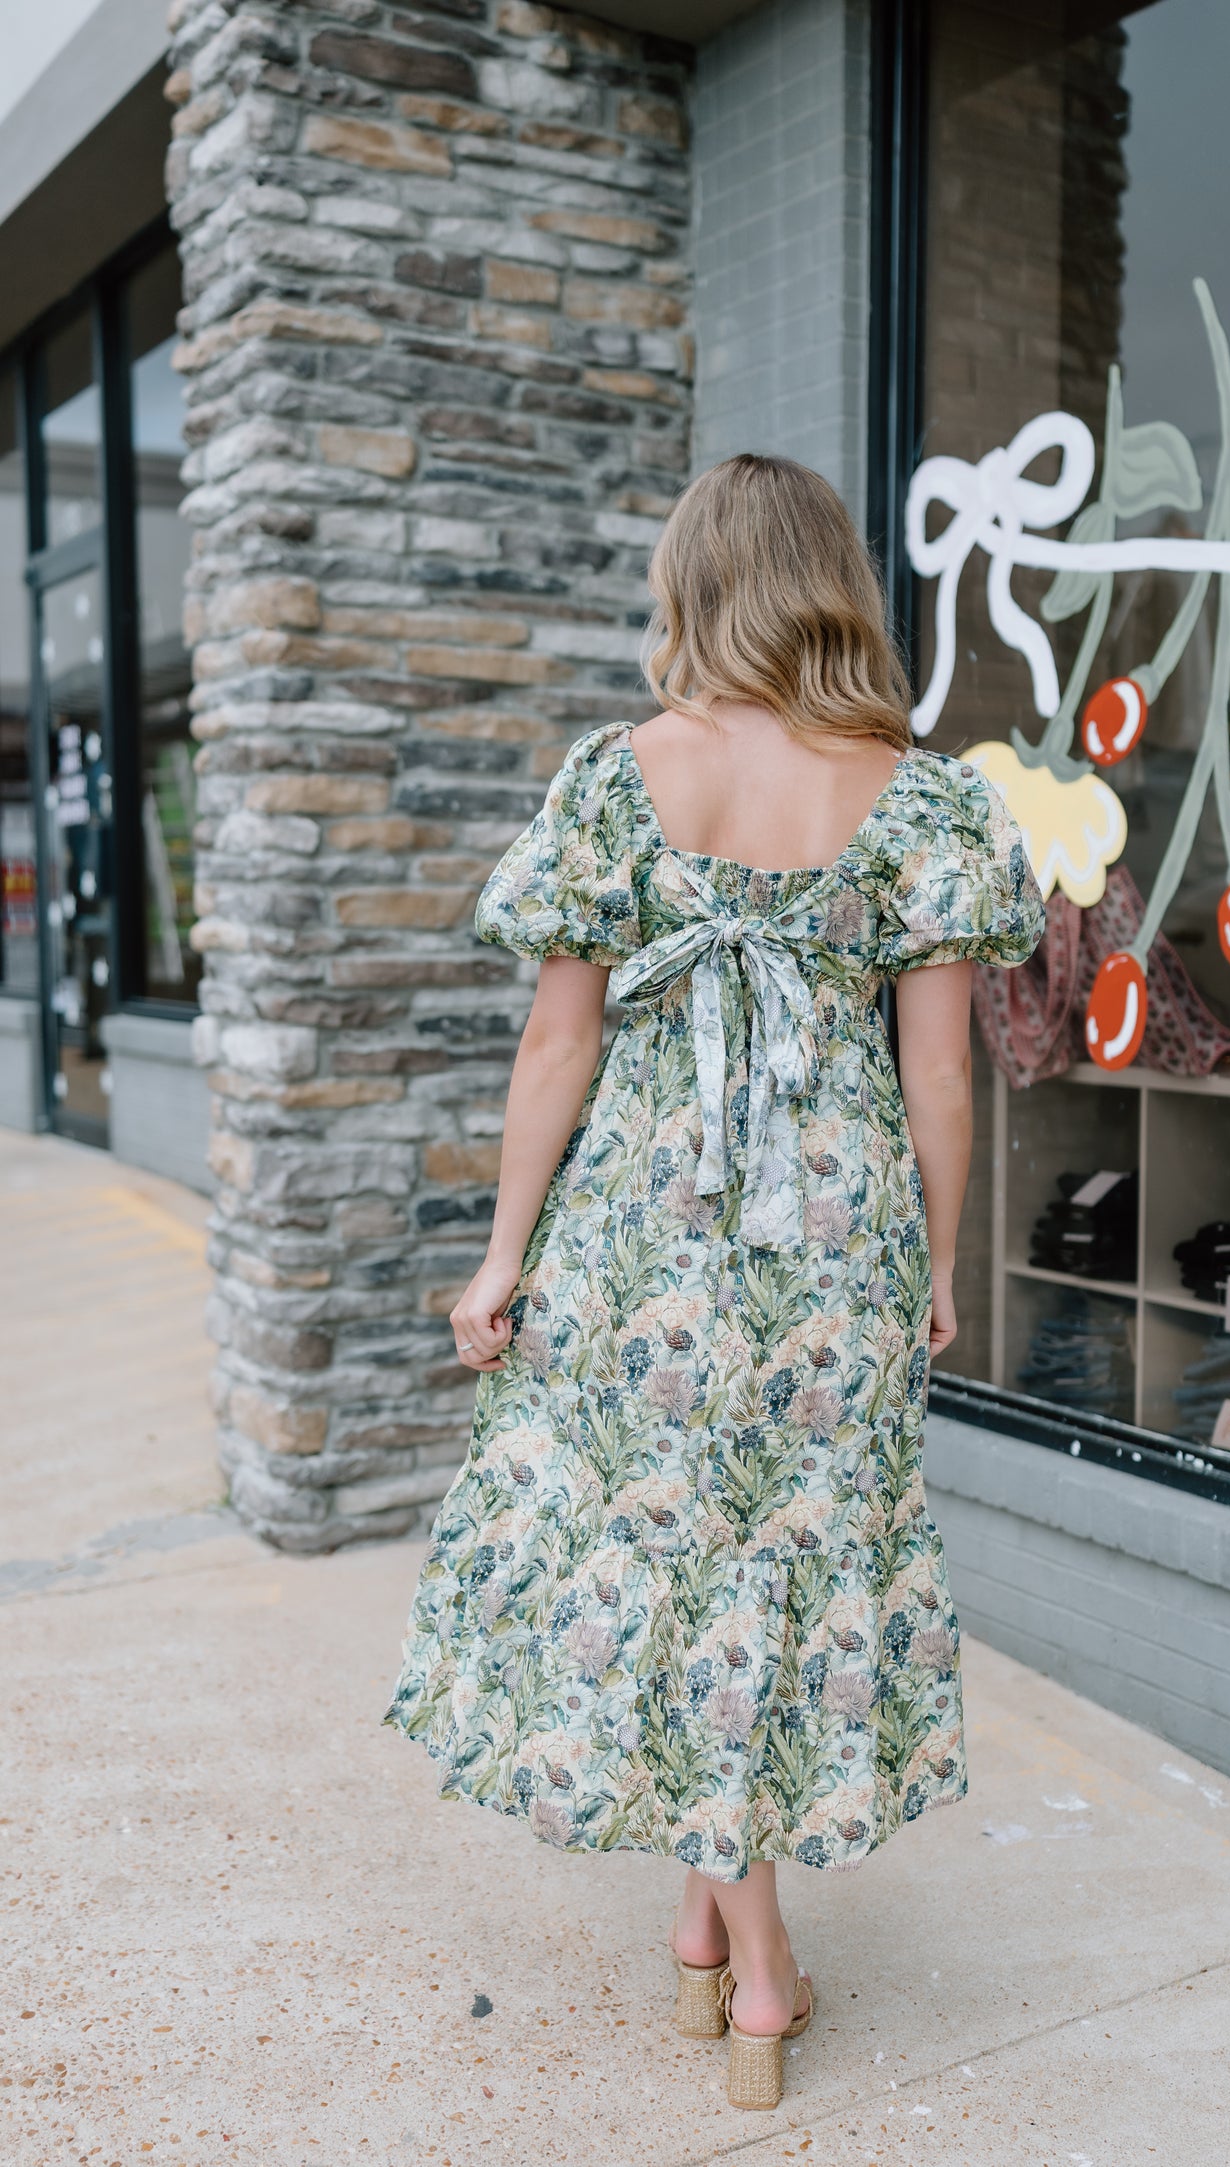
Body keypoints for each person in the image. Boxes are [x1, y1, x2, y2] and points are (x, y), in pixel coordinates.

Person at [385, 453, 1044, 2110]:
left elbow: (556, 1044)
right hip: (834, 1238)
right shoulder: (924, 800)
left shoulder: (621, 777)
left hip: (643, 1231)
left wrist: (504, 1253)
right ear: (834, 588)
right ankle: (735, 1954)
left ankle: (736, 1961)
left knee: (675, 1557)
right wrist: (935, 1262)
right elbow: (941, 1077)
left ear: (693, 584)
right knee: (773, 1563)